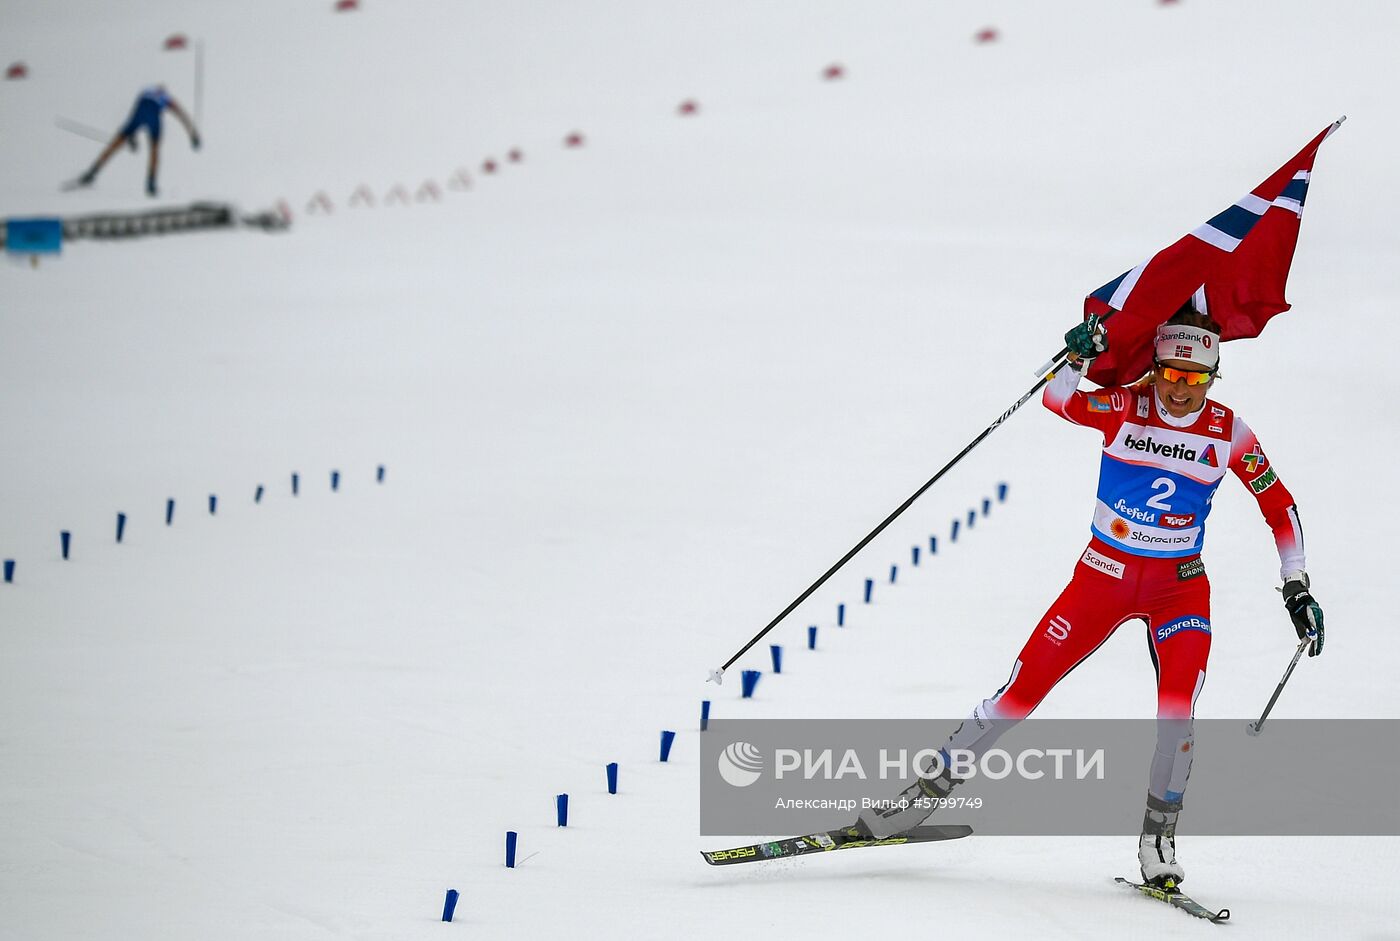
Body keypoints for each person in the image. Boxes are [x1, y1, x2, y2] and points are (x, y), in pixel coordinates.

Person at [853, 300, 1325, 889]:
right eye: (1172, 375)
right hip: (1101, 578)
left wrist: (1296, 585)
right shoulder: (1125, 404)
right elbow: (1057, 398)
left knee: (1176, 718)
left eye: (1195, 379)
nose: (1181, 390)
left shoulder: (1229, 432)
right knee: (1020, 693)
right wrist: (1076, 354)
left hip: (1177, 592)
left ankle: (1159, 838)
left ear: (1212, 376)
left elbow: (1279, 506)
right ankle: (923, 794)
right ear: (1155, 367)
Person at [75, 85, 200, 196]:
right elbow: (182, 115)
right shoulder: (166, 97)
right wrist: (193, 135)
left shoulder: (146, 91)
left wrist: (131, 138)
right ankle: (151, 184)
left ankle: (92, 172)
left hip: (140, 110)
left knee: (115, 144)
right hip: (153, 114)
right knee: (155, 151)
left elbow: (133, 113)